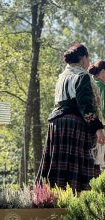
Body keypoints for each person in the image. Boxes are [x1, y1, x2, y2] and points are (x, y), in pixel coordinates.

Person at [37, 43, 105, 192]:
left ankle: (51, 200)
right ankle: (77, 202)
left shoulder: (62, 76)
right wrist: (97, 127)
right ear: (82, 58)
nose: (89, 62)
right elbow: (85, 104)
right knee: (78, 171)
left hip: (56, 125)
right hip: (73, 125)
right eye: (88, 58)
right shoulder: (82, 76)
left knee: (59, 168)